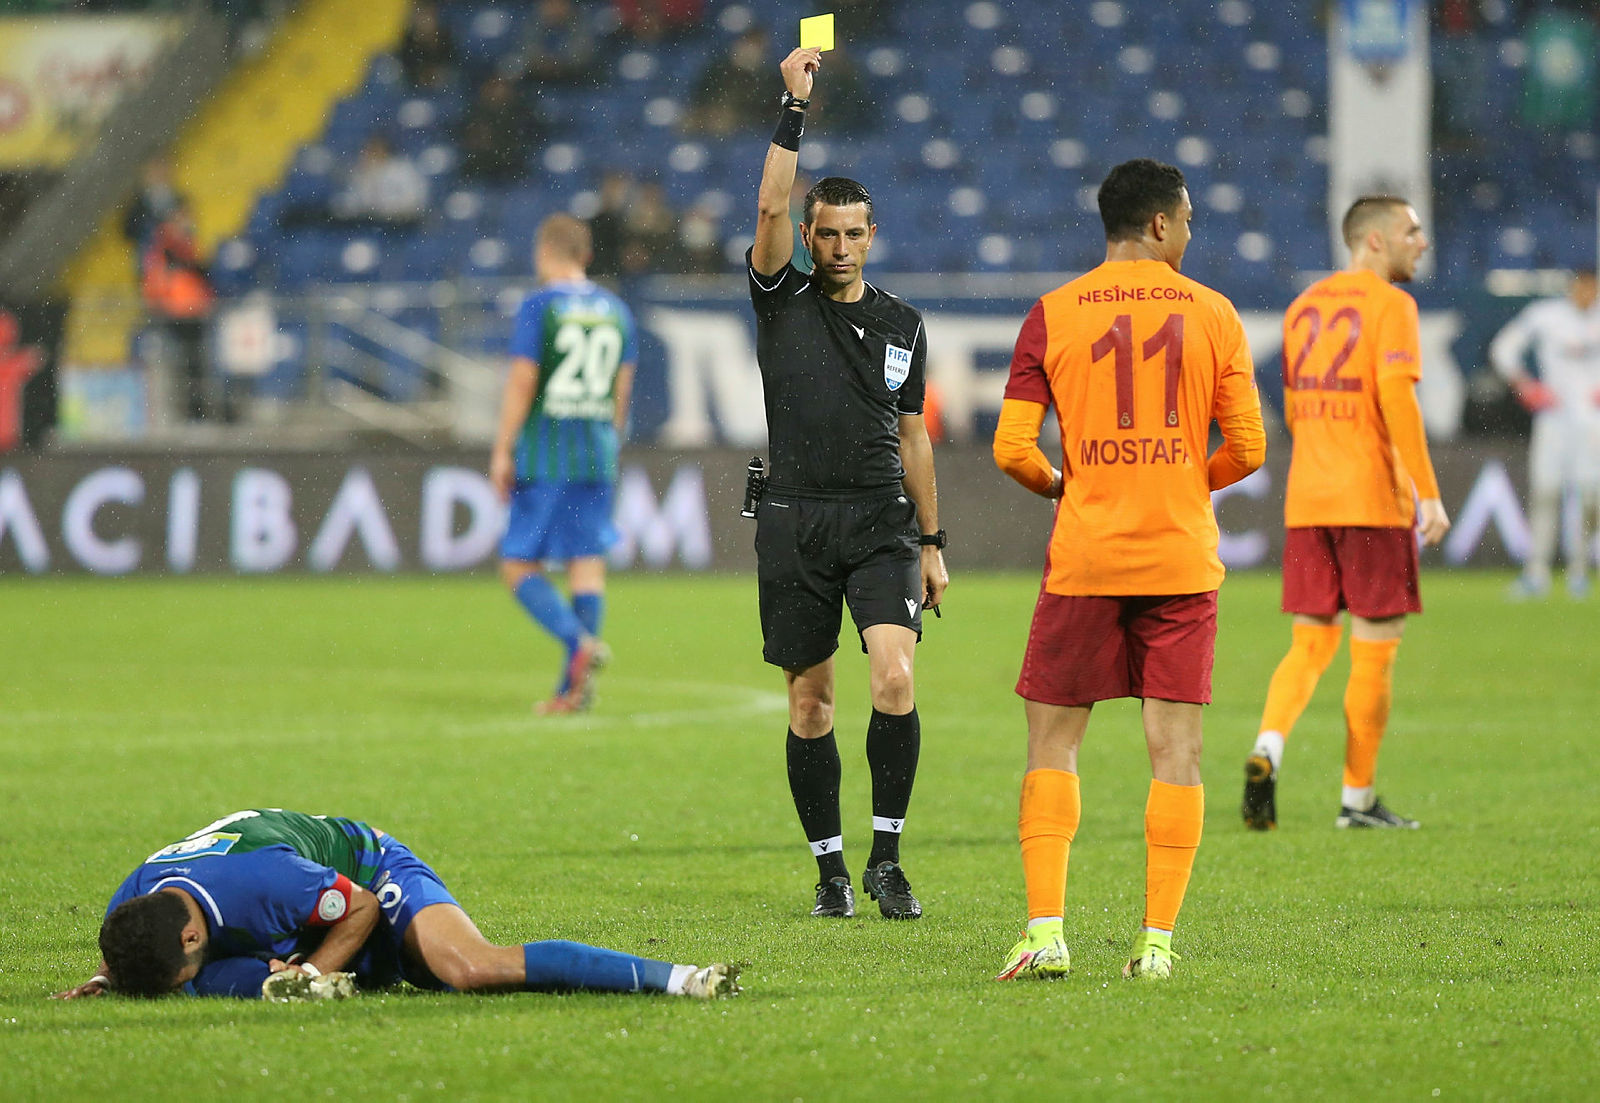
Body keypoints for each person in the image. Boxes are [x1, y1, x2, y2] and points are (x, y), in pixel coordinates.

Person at [991, 158, 1265, 983]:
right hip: (1181, 558)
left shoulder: (1053, 312)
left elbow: (1012, 449)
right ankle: (1156, 945)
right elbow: (1248, 448)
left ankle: (1045, 932)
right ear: (1157, 224)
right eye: (1185, 219)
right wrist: (1182, 478)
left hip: (1085, 558)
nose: (1190, 233)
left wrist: (1063, 483)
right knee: (1174, 750)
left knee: (1052, 743)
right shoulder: (1215, 312)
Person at [748, 48, 947, 922]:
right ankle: (829, 870)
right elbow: (767, 203)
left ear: (872, 234)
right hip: (793, 520)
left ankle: (887, 860)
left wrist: (933, 543)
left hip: (880, 524)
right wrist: (793, 108)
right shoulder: (779, 297)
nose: (835, 245)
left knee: (894, 679)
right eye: (823, 231)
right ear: (808, 235)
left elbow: (914, 437)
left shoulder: (904, 324)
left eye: (851, 231)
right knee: (811, 699)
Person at [1242, 195, 1452, 834]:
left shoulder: (1303, 308)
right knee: (1375, 654)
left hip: (1309, 497)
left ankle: (1268, 747)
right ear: (1375, 241)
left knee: (1310, 643)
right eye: (1412, 231)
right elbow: (1396, 399)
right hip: (1370, 500)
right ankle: (1357, 801)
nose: (1422, 242)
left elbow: (1294, 404)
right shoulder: (1393, 307)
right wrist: (1429, 490)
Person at [53, 808, 738, 1001]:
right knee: (229, 987)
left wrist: (314, 973)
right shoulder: (134, 903)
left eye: (184, 966)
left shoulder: (263, 881)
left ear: (196, 933)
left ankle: (678, 977)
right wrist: (112, 977)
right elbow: (140, 952)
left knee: (468, 968)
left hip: (366, 876)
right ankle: (325, 977)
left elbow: (355, 910)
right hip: (300, 914)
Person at [490, 214, 635, 715]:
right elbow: (622, 389)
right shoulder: (616, 309)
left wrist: (503, 447)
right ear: (587, 255)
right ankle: (574, 692)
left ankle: (580, 644)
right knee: (587, 565)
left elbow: (522, 380)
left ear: (543, 253)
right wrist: (607, 440)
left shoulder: (540, 306)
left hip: (548, 449)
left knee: (516, 565)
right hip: (597, 449)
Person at [1489, 269, 1600, 599]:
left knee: (1588, 495)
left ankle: (1579, 570)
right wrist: (1524, 385)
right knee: (1546, 492)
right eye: (1581, 286)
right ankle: (1536, 572)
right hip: (1553, 418)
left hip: (1592, 419)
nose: (1585, 293)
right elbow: (1503, 348)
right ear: (1571, 287)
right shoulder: (1545, 315)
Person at [140, 200, 217, 422]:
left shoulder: (185, 245)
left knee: (195, 367)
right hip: (175, 314)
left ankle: (196, 413)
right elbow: (157, 281)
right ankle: (185, 415)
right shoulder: (166, 247)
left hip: (193, 313)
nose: (186, 223)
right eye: (181, 218)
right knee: (182, 366)